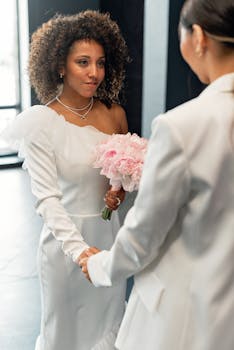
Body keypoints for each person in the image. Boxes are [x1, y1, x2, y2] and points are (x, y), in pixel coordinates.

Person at [79, 0, 234, 349]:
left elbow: (144, 233)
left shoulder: (181, 125)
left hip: (183, 316)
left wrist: (102, 266)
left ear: (198, 37)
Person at [1, 10, 130, 350]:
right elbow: (47, 200)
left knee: (109, 324)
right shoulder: (41, 123)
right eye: (83, 62)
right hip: (64, 249)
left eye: (100, 63)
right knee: (66, 335)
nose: (94, 73)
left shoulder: (114, 114)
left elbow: (120, 184)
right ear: (60, 66)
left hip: (108, 239)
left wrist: (119, 194)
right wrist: (80, 253)